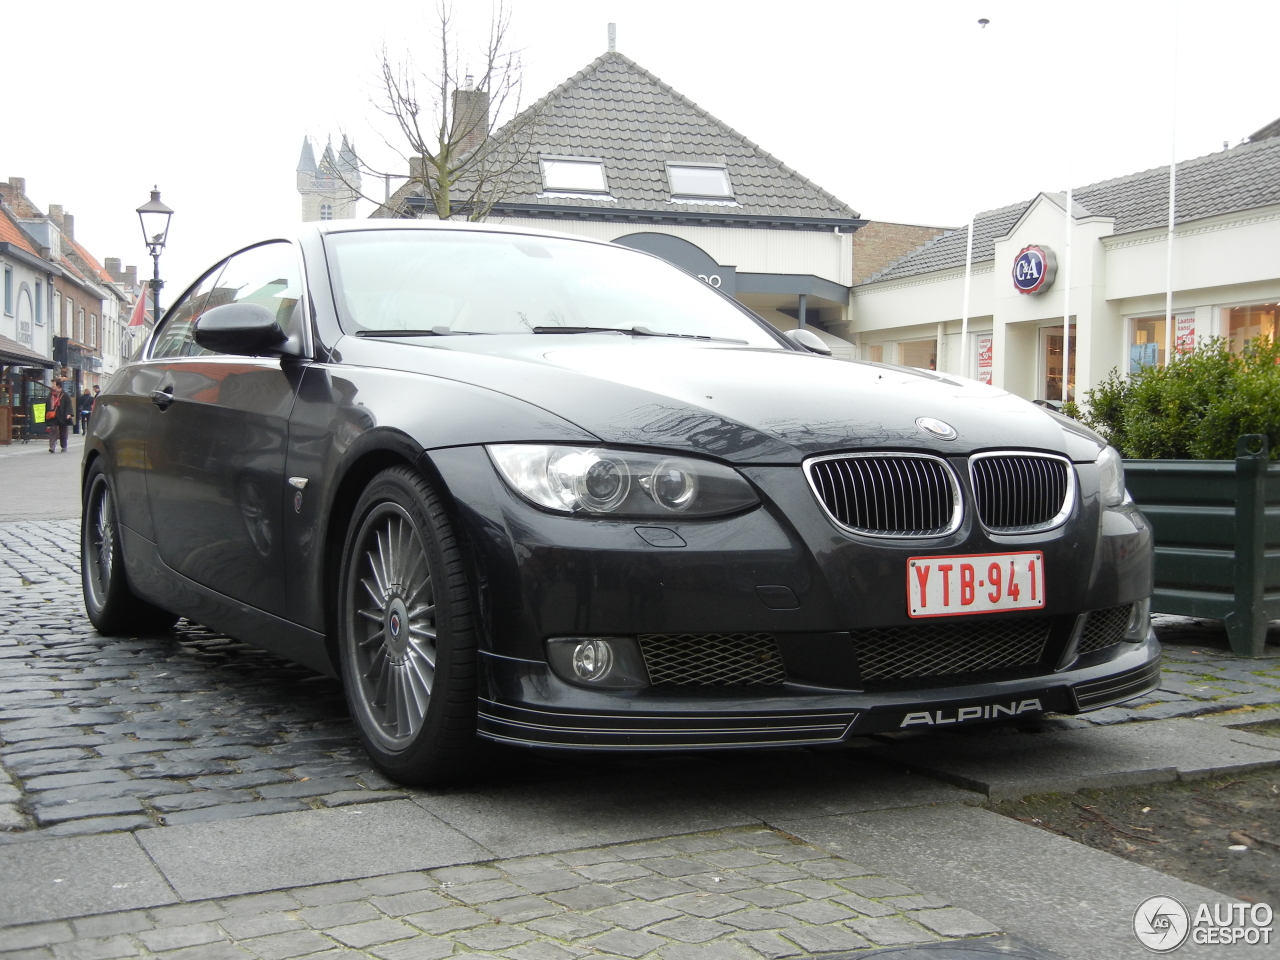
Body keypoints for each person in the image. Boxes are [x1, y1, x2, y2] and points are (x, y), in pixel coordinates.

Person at [46, 378, 75, 453]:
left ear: (58, 386)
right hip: (53, 416)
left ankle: (64, 446)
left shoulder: (65, 395)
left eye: (53, 384)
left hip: (62, 415)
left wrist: (69, 413)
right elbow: (47, 405)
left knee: (63, 432)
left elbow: (69, 405)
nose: (52, 385)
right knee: (53, 430)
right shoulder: (50, 394)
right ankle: (52, 447)